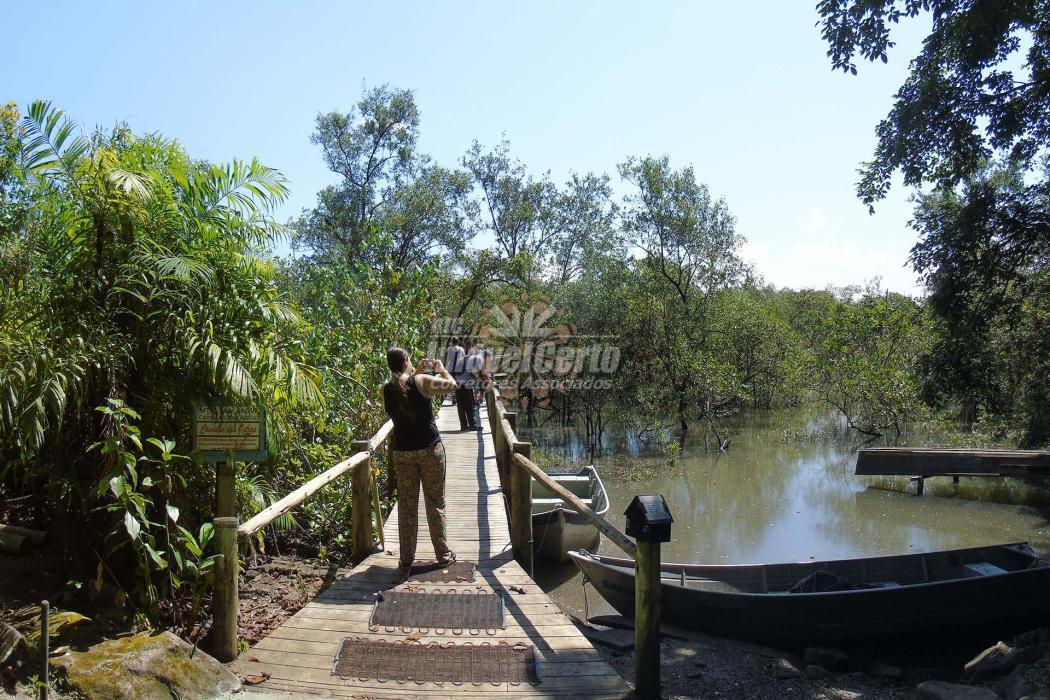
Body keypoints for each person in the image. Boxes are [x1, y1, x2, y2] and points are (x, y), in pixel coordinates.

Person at [382, 347, 457, 574]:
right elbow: (452, 385)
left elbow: (403, 399)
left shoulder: (387, 389)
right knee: (435, 503)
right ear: (406, 361)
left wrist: (417, 373)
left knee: (406, 505)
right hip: (429, 450)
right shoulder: (422, 381)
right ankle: (443, 555)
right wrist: (441, 369)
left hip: (402, 452)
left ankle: (406, 559)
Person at [454, 339, 477, 431]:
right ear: (471, 347)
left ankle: (463, 426)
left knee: (461, 405)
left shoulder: (463, 357)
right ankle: (472, 425)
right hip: (465, 383)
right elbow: (472, 372)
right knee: (469, 405)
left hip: (458, 383)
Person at [444, 337, 464, 406]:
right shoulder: (461, 349)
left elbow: (448, 359)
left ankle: (453, 398)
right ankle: (459, 397)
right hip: (458, 369)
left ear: (452, 342)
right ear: (458, 342)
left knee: (452, 383)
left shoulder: (449, 349)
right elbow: (463, 359)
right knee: (458, 383)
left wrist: (445, 368)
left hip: (451, 368)